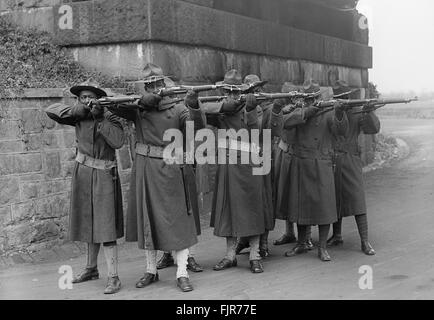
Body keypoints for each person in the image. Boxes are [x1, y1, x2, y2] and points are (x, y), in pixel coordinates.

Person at [110, 63, 206, 292]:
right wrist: (143, 101)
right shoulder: (139, 107)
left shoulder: (179, 108)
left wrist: (192, 104)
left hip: (172, 168)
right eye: (150, 85)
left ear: (164, 84)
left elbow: (196, 129)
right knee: (147, 219)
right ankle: (151, 270)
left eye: (157, 84)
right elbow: (115, 105)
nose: (154, 87)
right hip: (145, 169)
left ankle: (182, 272)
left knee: (178, 220)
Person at [45, 79, 125, 294]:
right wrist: (80, 110)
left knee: (106, 227)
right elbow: (51, 110)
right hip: (83, 174)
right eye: (83, 98)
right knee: (88, 222)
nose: (88, 101)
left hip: (105, 175)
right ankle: (91, 269)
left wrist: (100, 117)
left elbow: (118, 141)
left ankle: (114, 277)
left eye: (91, 97)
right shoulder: (77, 115)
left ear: (99, 99)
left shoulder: (110, 116)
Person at [201, 69, 273, 273]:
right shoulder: (223, 108)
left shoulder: (255, 108)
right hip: (229, 165)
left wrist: (249, 109)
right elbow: (202, 109)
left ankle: (255, 254)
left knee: (253, 209)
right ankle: (230, 255)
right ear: (224, 92)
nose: (232, 95)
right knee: (229, 211)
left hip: (252, 163)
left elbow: (259, 133)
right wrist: (226, 106)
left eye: (235, 92)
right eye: (228, 92)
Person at [272, 79, 348, 261]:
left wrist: (339, 113)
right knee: (300, 207)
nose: (310, 102)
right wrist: (307, 111)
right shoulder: (299, 112)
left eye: (313, 99)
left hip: (322, 163)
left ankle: (322, 247)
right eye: (307, 99)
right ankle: (301, 243)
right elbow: (284, 123)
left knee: (324, 208)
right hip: (301, 163)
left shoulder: (329, 112)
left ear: (319, 97)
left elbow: (341, 131)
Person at [327, 80, 380, 255]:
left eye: (345, 97)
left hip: (351, 159)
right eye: (340, 98)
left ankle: (365, 241)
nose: (344, 100)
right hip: (332, 159)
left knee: (357, 200)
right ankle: (337, 235)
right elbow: (337, 129)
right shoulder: (331, 111)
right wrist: (338, 111)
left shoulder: (357, 112)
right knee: (334, 199)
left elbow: (373, 129)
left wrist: (369, 112)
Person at [234, 74, 274, 258]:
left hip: (261, 156)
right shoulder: (237, 108)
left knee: (262, 202)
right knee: (244, 201)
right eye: (252, 91)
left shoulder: (266, 108)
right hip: (242, 159)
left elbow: (261, 132)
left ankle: (262, 244)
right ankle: (244, 239)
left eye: (258, 90)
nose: (256, 93)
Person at [271, 82, 313, 250]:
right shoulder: (283, 110)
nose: (295, 99)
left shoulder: (305, 109)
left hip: (298, 156)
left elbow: (298, 118)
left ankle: (306, 237)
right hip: (284, 153)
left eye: (297, 96)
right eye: (291, 96)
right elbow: (279, 123)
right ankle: (290, 232)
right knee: (286, 195)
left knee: (301, 196)